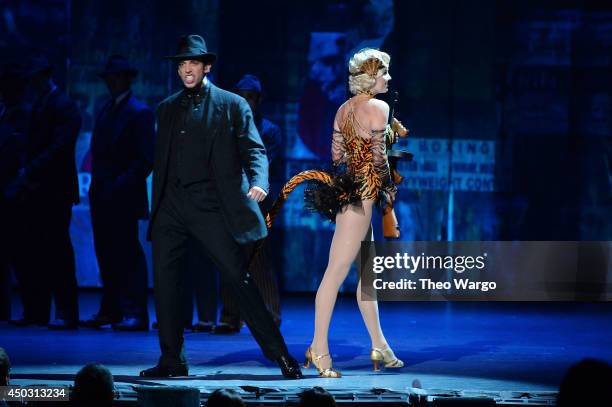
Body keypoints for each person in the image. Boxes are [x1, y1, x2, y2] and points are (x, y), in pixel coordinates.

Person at [140, 34, 302, 379]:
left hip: (210, 204)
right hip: (171, 205)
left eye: (193, 64)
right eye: (182, 64)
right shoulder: (166, 108)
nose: (187, 70)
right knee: (166, 283)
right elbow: (162, 159)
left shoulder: (231, 105)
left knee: (238, 279)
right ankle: (172, 360)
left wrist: (259, 181)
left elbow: (254, 149)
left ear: (206, 67)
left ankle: (281, 355)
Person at [302, 48, 403, 377]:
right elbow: (378, 159)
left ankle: (380, 345)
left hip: (353, 194)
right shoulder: (379, 107)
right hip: (362, 197)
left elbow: (336, 155)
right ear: (371, 76)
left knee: (367, 276)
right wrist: (388, 189)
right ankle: (319, 350)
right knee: (335, 274)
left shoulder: (343, 109)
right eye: (384, 72)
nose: (388, 77)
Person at [9, 55, 81, 329]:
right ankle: (37, 311)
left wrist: (30, 168)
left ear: (43, 77)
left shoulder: (63, 105)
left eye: (33, 79)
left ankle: (67, 312)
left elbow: (60, 147)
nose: (29, 85)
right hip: (37, 191)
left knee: (58, 252)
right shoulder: (40, 105)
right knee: (37, 252)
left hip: (55, 191)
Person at [83, 55, 154, 331]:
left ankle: (135, 312)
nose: (111, 82)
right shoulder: (106, 109)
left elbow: (145, 159)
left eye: (116, 77)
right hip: (102, 195)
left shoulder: (139, 112)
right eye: (109, 77)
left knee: (128, 254)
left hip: (123, 196)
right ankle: (111, 309)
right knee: (106, 253)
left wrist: (118, 185)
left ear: (126, 78)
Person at [215, 74, 282, 334]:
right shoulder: (227, 127)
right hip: (230, 200)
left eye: (250, 97)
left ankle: (270, 316)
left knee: (259, 259)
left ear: (258, 100)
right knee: (229, 257)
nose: (245, 102)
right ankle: (230, 316)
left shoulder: (269, 130)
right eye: (241, 97)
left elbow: (264, 165)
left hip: (257, 202)